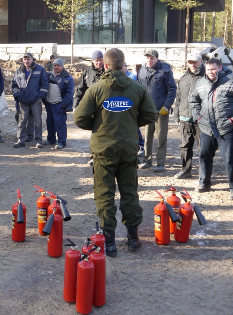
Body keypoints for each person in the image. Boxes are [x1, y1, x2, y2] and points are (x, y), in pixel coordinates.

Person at [74, 48, 157, 256]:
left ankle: (109, 242)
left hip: (104, 150)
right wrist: (130, 123)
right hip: (128, 149)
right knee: (130, 192)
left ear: (106, 64)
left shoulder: (96, 89)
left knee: (104, 194)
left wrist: (100, 125)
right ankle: (132, 239)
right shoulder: (137, 88)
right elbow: (150, 114)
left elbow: (79, 118)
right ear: (122, 64)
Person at [190, 58, 233, 200]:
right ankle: (204, 183)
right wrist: (198, 117)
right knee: (204, 156)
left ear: (220, 68)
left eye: (213, 69)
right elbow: (193, 100)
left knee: (230, 159)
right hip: (207, 127)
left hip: (227, 127)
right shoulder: (201, 82)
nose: (210, 72)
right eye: (208, 70)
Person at [137, 49, 176, 172]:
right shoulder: (142, 71)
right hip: (147, 110)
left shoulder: (165, 70)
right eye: (147, 58)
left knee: (161, 137)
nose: (149, 60)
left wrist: (167, 106)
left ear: (157, 59)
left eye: (152, 58)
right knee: (148, 136)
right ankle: (148, 161)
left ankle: (160, 163)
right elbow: (138, 89)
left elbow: (172, 89)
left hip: (161, 111)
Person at [173, 52, 205, 179]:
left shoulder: (206, 78)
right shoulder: (183, 78)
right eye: (190, 62)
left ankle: (204, 173)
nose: (192, 64)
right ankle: (186, 170)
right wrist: (177, 115)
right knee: (185, 146)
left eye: (195, 62)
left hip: (201, 119)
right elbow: (178, 97)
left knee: (203, 147)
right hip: (185, 117)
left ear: (201, 61)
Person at [12, 52, 49, 148]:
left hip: (35, 100)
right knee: (22, 121)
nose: (26, 61)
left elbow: (44, 83)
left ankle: (38, 141)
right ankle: (21, 140)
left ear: (32, 59)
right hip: (23, 100)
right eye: (25, 59)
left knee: (38, 122)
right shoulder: (19, 70)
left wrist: (40, 95)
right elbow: (14, 84)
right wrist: (17, 95)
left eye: (28, 59)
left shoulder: (39, 69)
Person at [42, 58, 74, 149]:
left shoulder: (67, 77)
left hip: (59, 104)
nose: (56, 67)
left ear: (62, 66)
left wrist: (63, 104)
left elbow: (70, 93)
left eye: (58, 66)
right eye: (55, 65)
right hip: (49, 104)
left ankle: (61, 142)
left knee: (60, 124)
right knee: (50, 123)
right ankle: (51, 139)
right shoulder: (48, 76)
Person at [122, 61, 145, 157]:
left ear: (126, 66)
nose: (121, 68)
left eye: (123, 66)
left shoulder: (132, 77)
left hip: (131, 106)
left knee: (134, 126)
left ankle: (140, 144)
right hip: (121, 105)